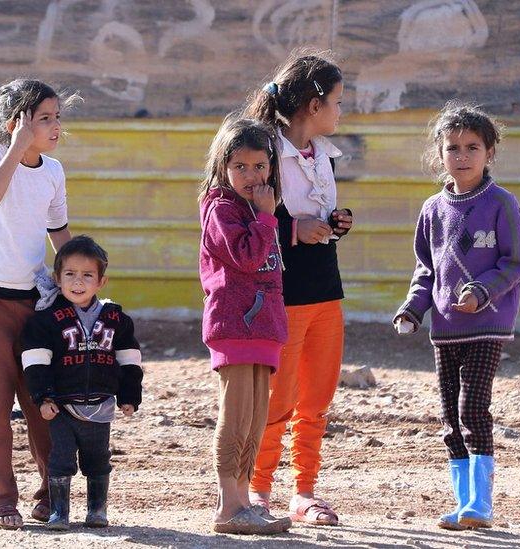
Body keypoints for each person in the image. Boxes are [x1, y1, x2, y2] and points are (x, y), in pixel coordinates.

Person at [393, 101, 520, 530]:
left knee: (473, 408)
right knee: (449, 417)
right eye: (453, 148)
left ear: (490, 152)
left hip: (487, 325)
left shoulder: (501, 204)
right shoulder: (432, 209)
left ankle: (481, 505)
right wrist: (413, 310)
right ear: (440, 155)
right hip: (445, 331)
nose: (463, 156)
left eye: (473, 147)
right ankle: (463, 502)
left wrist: (481, 291)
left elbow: (516, 263)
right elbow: (426, 271)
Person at [0, 78, 75, 529]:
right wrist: (16, 146)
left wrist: (81, 274)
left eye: (58, 117)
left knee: (43, 404)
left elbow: (58, 232)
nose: (56, 125)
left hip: (35, 307)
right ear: (17, 124)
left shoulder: (54, 172)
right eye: (45, 118)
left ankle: (51, 495)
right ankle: (2, 502)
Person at [242, 49, 352, 526]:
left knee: (316, 401)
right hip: (281, 294)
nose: (340, 112)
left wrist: (334, 222)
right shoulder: (263, 153)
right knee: (277, 401)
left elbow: (315, 213)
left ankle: (304, 491)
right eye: (337, 102)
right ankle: (259, 490)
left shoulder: (324, 154)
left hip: (326, 288)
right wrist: (293, 229)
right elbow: (246, 214)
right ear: (313, 105)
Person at [199, 116, 291, 535]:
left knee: (255, 418)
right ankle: (228, 506)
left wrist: (265, 215)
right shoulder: (221, 209)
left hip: (264, 326)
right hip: (234, 325)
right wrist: (267, 218)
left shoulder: (257, 209)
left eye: (259, 166)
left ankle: (244, 501)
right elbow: (249, 258)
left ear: (271, 166)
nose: (251, 175)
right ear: (223, 166)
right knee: (235, 417)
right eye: (241, 167)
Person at [19, 235, 143, 530]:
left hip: (100, 407)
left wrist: (129, 396)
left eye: (87, 275)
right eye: (70, 274)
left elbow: (129, 360)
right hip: (62, 407)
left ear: (101, 281)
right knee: (60, 459)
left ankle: (96, 510)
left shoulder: (116, 320)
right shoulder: (46, 321)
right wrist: (43, 397)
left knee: (98, 459)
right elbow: (36, 362)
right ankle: (59, 513)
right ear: (57, 278)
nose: (78, 282)